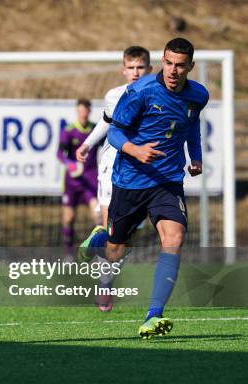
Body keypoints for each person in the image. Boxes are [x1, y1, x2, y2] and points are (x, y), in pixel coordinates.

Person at [79, 38, 208, 339]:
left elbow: (192, 125)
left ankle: (153, 315)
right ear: (162, 61)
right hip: (130, 180)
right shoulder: (140, 92)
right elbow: (115, 132)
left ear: (190, 66)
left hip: (167, 181)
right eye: (169, 63)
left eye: (180, 65)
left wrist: (197, 156)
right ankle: (101, 241)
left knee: (174, 238)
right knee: (116, 249)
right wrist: (135, 151)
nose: (174, 70)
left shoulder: (198, 95)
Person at [75, 46, 152, 311]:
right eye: (130, 67)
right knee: (114, 228)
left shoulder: (158, 95)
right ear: (123, 69)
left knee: (126, 237)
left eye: (140, 67)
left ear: (149, 70)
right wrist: (87, 144)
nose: (135, 72)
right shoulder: (114, 95)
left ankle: (103, 267)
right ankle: (105, 285)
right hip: (111, 166)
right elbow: (106, 122)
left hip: (140, 173)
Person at [57, 99, 99, 256]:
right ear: (77, 111)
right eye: (80, 110)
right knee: (69, 218)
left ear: (89, 111)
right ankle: (69, 254)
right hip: (72, 181)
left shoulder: (95, 130)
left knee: (98, 215)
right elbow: (60, 154)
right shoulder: (69, 130)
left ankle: (97, 252)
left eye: (85, 110)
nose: (83, 113)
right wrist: (70, 164)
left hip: (91, 179)